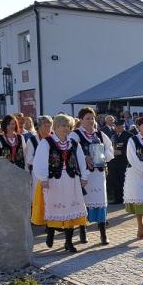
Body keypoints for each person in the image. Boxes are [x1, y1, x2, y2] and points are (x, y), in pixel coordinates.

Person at [32, 114, 89, 253]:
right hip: (54, 181)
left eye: (68, 126)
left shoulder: (73, 143)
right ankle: (50, 232)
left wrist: (84, 176)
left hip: (71, 180)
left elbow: (81, 160)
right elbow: (39, 162)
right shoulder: (46, 142)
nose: (66, 128)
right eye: (63, 125)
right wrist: (43, 178)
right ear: (56, 127)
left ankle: (68, 242)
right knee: (54, 208)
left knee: (70, 210)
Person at [70, 107, 115, 245]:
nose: (90, 121)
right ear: (81, 120)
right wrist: (84, 157)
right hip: (85, 175)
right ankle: (82, 231)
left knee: (100, 201)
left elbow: (110, 150)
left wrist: (102, 157)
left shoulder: (99, 134)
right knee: (83, 202)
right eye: (87, 118)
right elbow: (70, 152)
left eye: (92, 118)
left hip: (98, 174)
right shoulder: (75, 135)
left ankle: (103, 234)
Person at [108, 119, 133, 205]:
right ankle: (117, 198)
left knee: (123, 180)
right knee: (115, 180)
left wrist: (122, 152)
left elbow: (131, 148)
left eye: (120, 127)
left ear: (123, 127)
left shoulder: (129, 136)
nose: (118, 128)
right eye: (116, 127)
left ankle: (125, 198)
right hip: (114, 161)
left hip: (124, 161)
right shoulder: (114, 135)